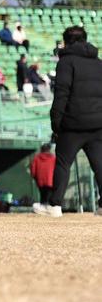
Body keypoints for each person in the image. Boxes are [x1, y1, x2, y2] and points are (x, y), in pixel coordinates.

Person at [38, 26, 102, 217]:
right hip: (98, 123)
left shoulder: (66, 62)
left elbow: (61, 94)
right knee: (100, 164)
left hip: (73, 124)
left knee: (63, 163)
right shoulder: (98, 62)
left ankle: (55, 205)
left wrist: (56, 122)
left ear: (67, 41)